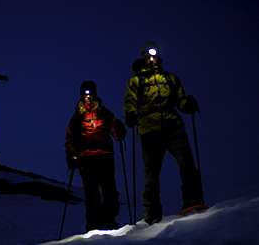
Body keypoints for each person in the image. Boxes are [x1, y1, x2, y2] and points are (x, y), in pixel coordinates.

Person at [123, 40, 203, 225]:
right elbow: (130, 102)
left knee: (187, 163)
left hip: (172, 124)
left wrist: (187, 104)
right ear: (143, 56)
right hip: (149, 129)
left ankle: (193, 201)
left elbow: (180, 100)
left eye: (154, 55)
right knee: (151, 172)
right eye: (148, 55)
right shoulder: (136, 81)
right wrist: (130, 114)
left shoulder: (170, 78)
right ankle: (151, 214)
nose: (152, 58)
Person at [65, 80, 127, 232]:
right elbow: (70, 138)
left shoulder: (104, 113)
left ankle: (109, 220)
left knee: (110, 192)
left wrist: (119, 130)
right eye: (85, 94)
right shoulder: (77, 117)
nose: (88, 97)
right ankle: (94, 224)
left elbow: (117, 134)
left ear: (95, 93)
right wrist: (71, 155)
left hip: (105, 158)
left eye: (90, 93)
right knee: (92, 194)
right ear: (82, 95)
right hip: (86, 159)